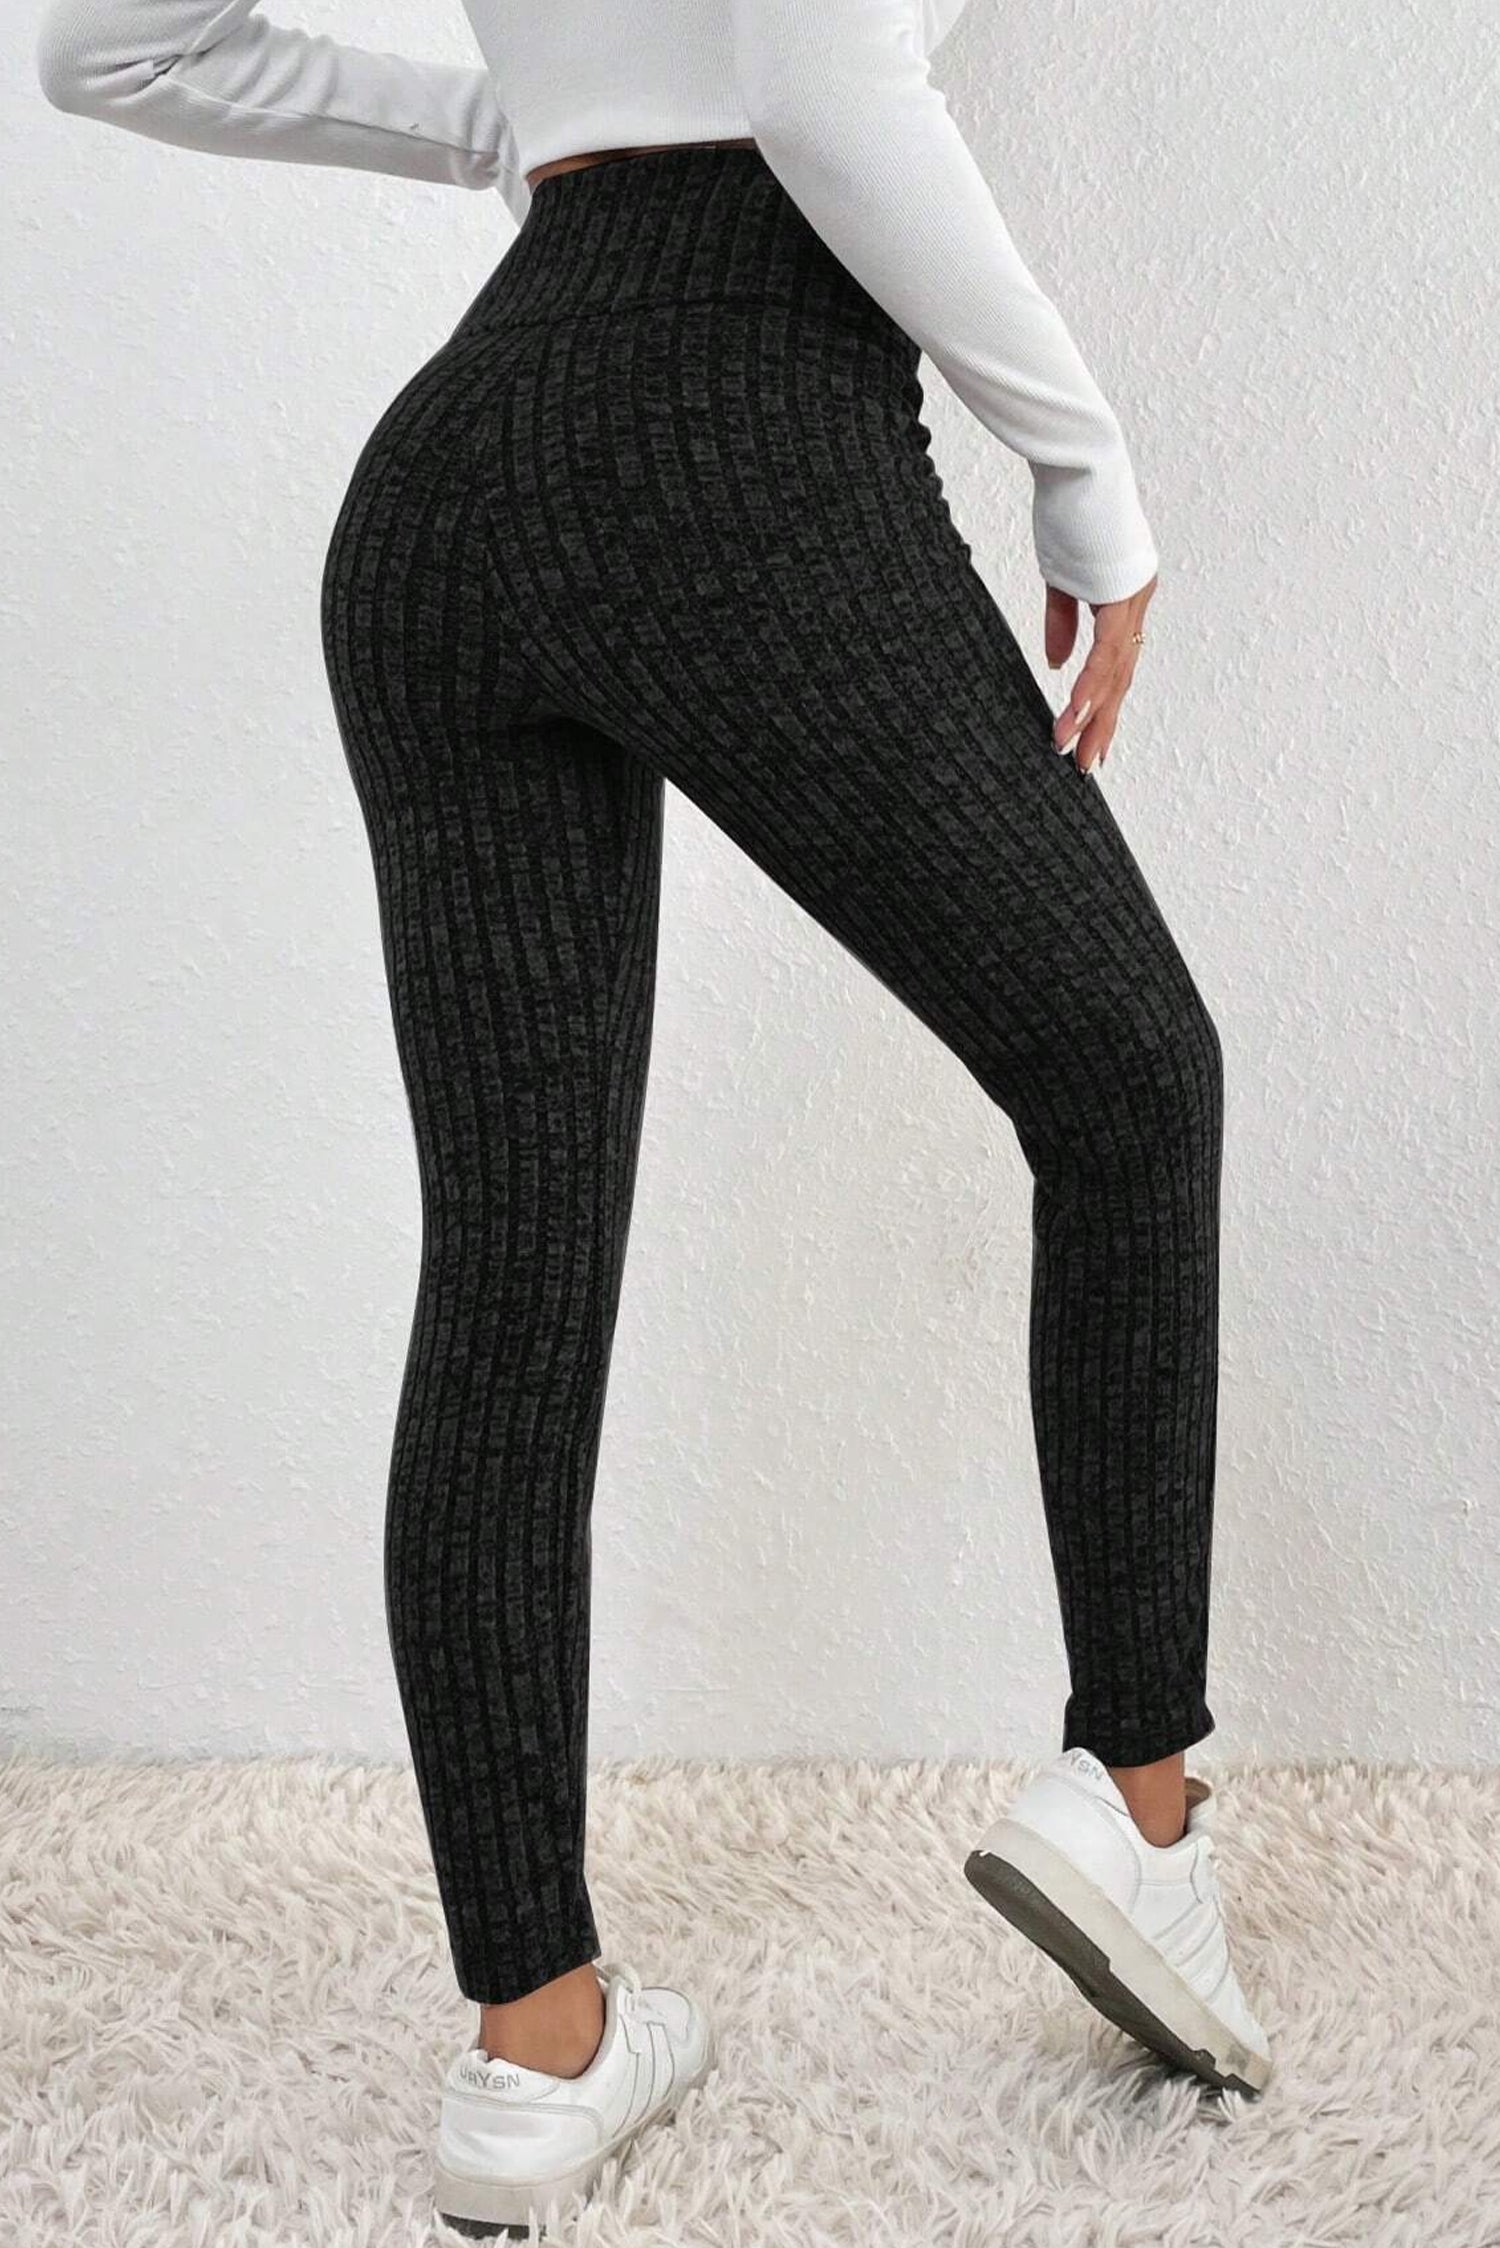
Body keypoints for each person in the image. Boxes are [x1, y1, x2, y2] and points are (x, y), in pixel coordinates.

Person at [35, 0, 1273, 2231]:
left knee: (510, 1276)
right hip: (728, 423)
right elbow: (815, 72)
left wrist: (536, 117)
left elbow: (115, 47)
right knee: (1129, 1075)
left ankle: (537, 2048)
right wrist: (1080, 459)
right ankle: (1144, 1803)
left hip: (452, 473)